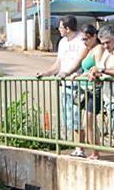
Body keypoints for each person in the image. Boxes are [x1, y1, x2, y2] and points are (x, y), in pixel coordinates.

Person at [36, 15, 88, 156]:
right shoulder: (62, 42)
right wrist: (46, 73)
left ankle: (80, 148)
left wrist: (66, 73)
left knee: (76, 117)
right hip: (65, 84)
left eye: (60, 27)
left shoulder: (81, 40)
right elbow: (58, 64)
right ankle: (77, 146)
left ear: (67, 28)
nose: (58, 30)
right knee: (68, 117)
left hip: (77, 83)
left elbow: (79, 60)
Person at [77, 24, 104, 159]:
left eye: (87, 39)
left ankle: (95, 152)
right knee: (86, 123)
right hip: (86, 89)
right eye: (83, 39)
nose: (85, 42)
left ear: (94, 37)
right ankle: (94, 151)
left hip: (95, 89)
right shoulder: (89, 49)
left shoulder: (98, 48)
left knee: (89, 123)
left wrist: (92, 72)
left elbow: (99, 66)